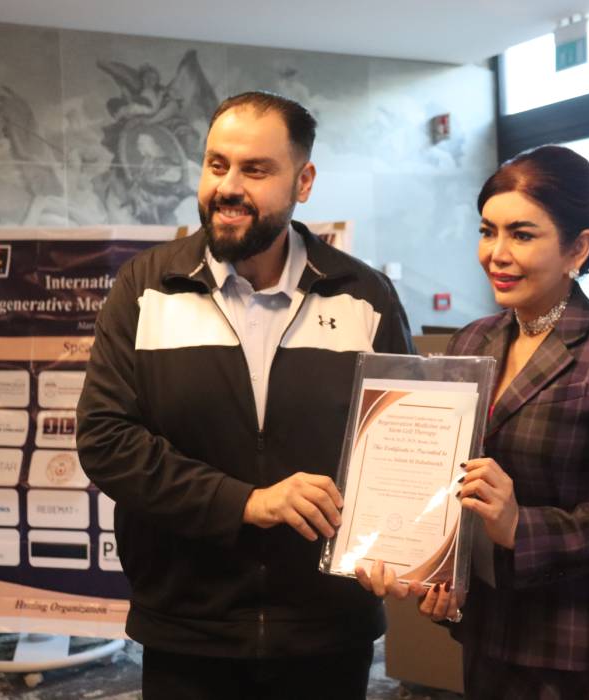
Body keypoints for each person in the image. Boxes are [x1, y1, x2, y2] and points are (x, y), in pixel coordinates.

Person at [76, 91, 414, 699]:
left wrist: (405, 544)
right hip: (188, 628)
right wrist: (246, 503)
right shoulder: (147, 289)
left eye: (255, 170)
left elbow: (401, 444)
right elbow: (107, 440)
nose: (228, 186)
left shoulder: (364, 296)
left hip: (327, 630)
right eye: (217, 165)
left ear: (303, 181)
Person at [358, 145, 589, 698]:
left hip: (576, 653)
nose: (496, 254)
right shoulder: (473, 340)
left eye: (522, 235)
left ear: (578, 247)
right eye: (488, 232)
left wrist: (520, 527)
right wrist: (437, 569)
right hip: (487, 635)